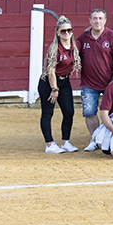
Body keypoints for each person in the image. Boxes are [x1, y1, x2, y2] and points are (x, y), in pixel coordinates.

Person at [77, 8, 113, 147]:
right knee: (89, 112)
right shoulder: (83, 37)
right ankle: (96, 140)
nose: (97, 21)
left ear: (105, 20)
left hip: (109, 82)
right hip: (88, 83)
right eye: (95, 18)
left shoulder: (112, 36)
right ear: (90, 21)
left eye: (100, 18)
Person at [38, 17, 80, 154]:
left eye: (69, 30)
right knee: (48, 113)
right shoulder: (55, 49)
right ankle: (49, 144)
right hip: (49, 83)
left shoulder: (74, 46)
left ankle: (65, 142)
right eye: (63, 31)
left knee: (69, 111)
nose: (66, 33)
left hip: (64, 81)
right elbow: (51, 71)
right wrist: (54, 89)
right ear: (57, 32)